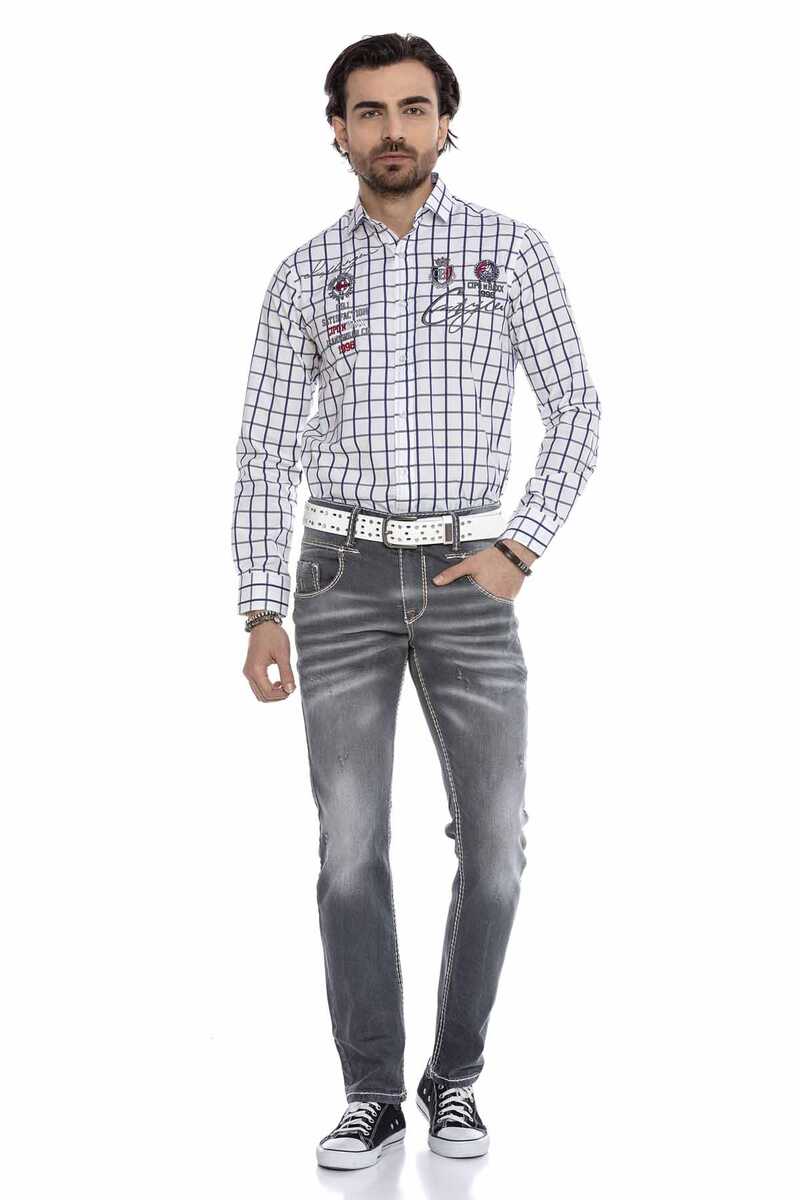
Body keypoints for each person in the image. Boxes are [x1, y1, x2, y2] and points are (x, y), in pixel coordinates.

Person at [231, 32, 601, 1171]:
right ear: (336, 130)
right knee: (349, 848)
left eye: (412, 108)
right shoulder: (303, 275)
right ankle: (370, 1092)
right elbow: (263, 454)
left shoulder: (509, 252)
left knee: (496, 848)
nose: (392, 130)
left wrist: (517, 550)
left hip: (466, 577)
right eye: (368, 111)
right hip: (337, 577)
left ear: (446, 121)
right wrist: (261, 609)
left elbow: (578, 410)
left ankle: (456, 1080)